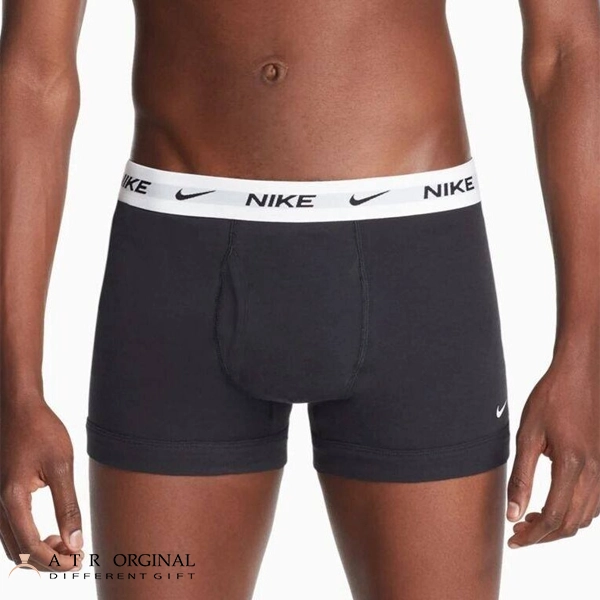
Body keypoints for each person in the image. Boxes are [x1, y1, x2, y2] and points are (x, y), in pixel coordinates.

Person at [0, 1, 598, 599]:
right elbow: (34, 72)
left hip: (414, 264)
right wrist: (15, 389)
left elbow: (568, 48)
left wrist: (583, 358)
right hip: (178, 266)